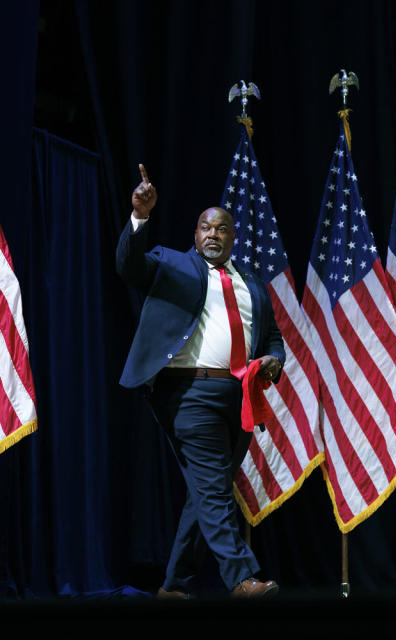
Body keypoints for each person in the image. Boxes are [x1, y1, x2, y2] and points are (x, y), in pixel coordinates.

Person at [117, 164, 284, 598]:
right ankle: (241, 578)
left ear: (233, 237)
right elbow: (130, 266)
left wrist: (273, 360)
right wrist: (139, 218)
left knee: (204, 491)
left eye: (222, 228)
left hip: (241, 398)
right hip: (190, 394)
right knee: (212, 487)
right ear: (195, 236)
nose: (213, 234)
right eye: (205, 228)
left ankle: (175, 586)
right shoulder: (170, 264)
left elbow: (272, 337)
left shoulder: (253, 284)